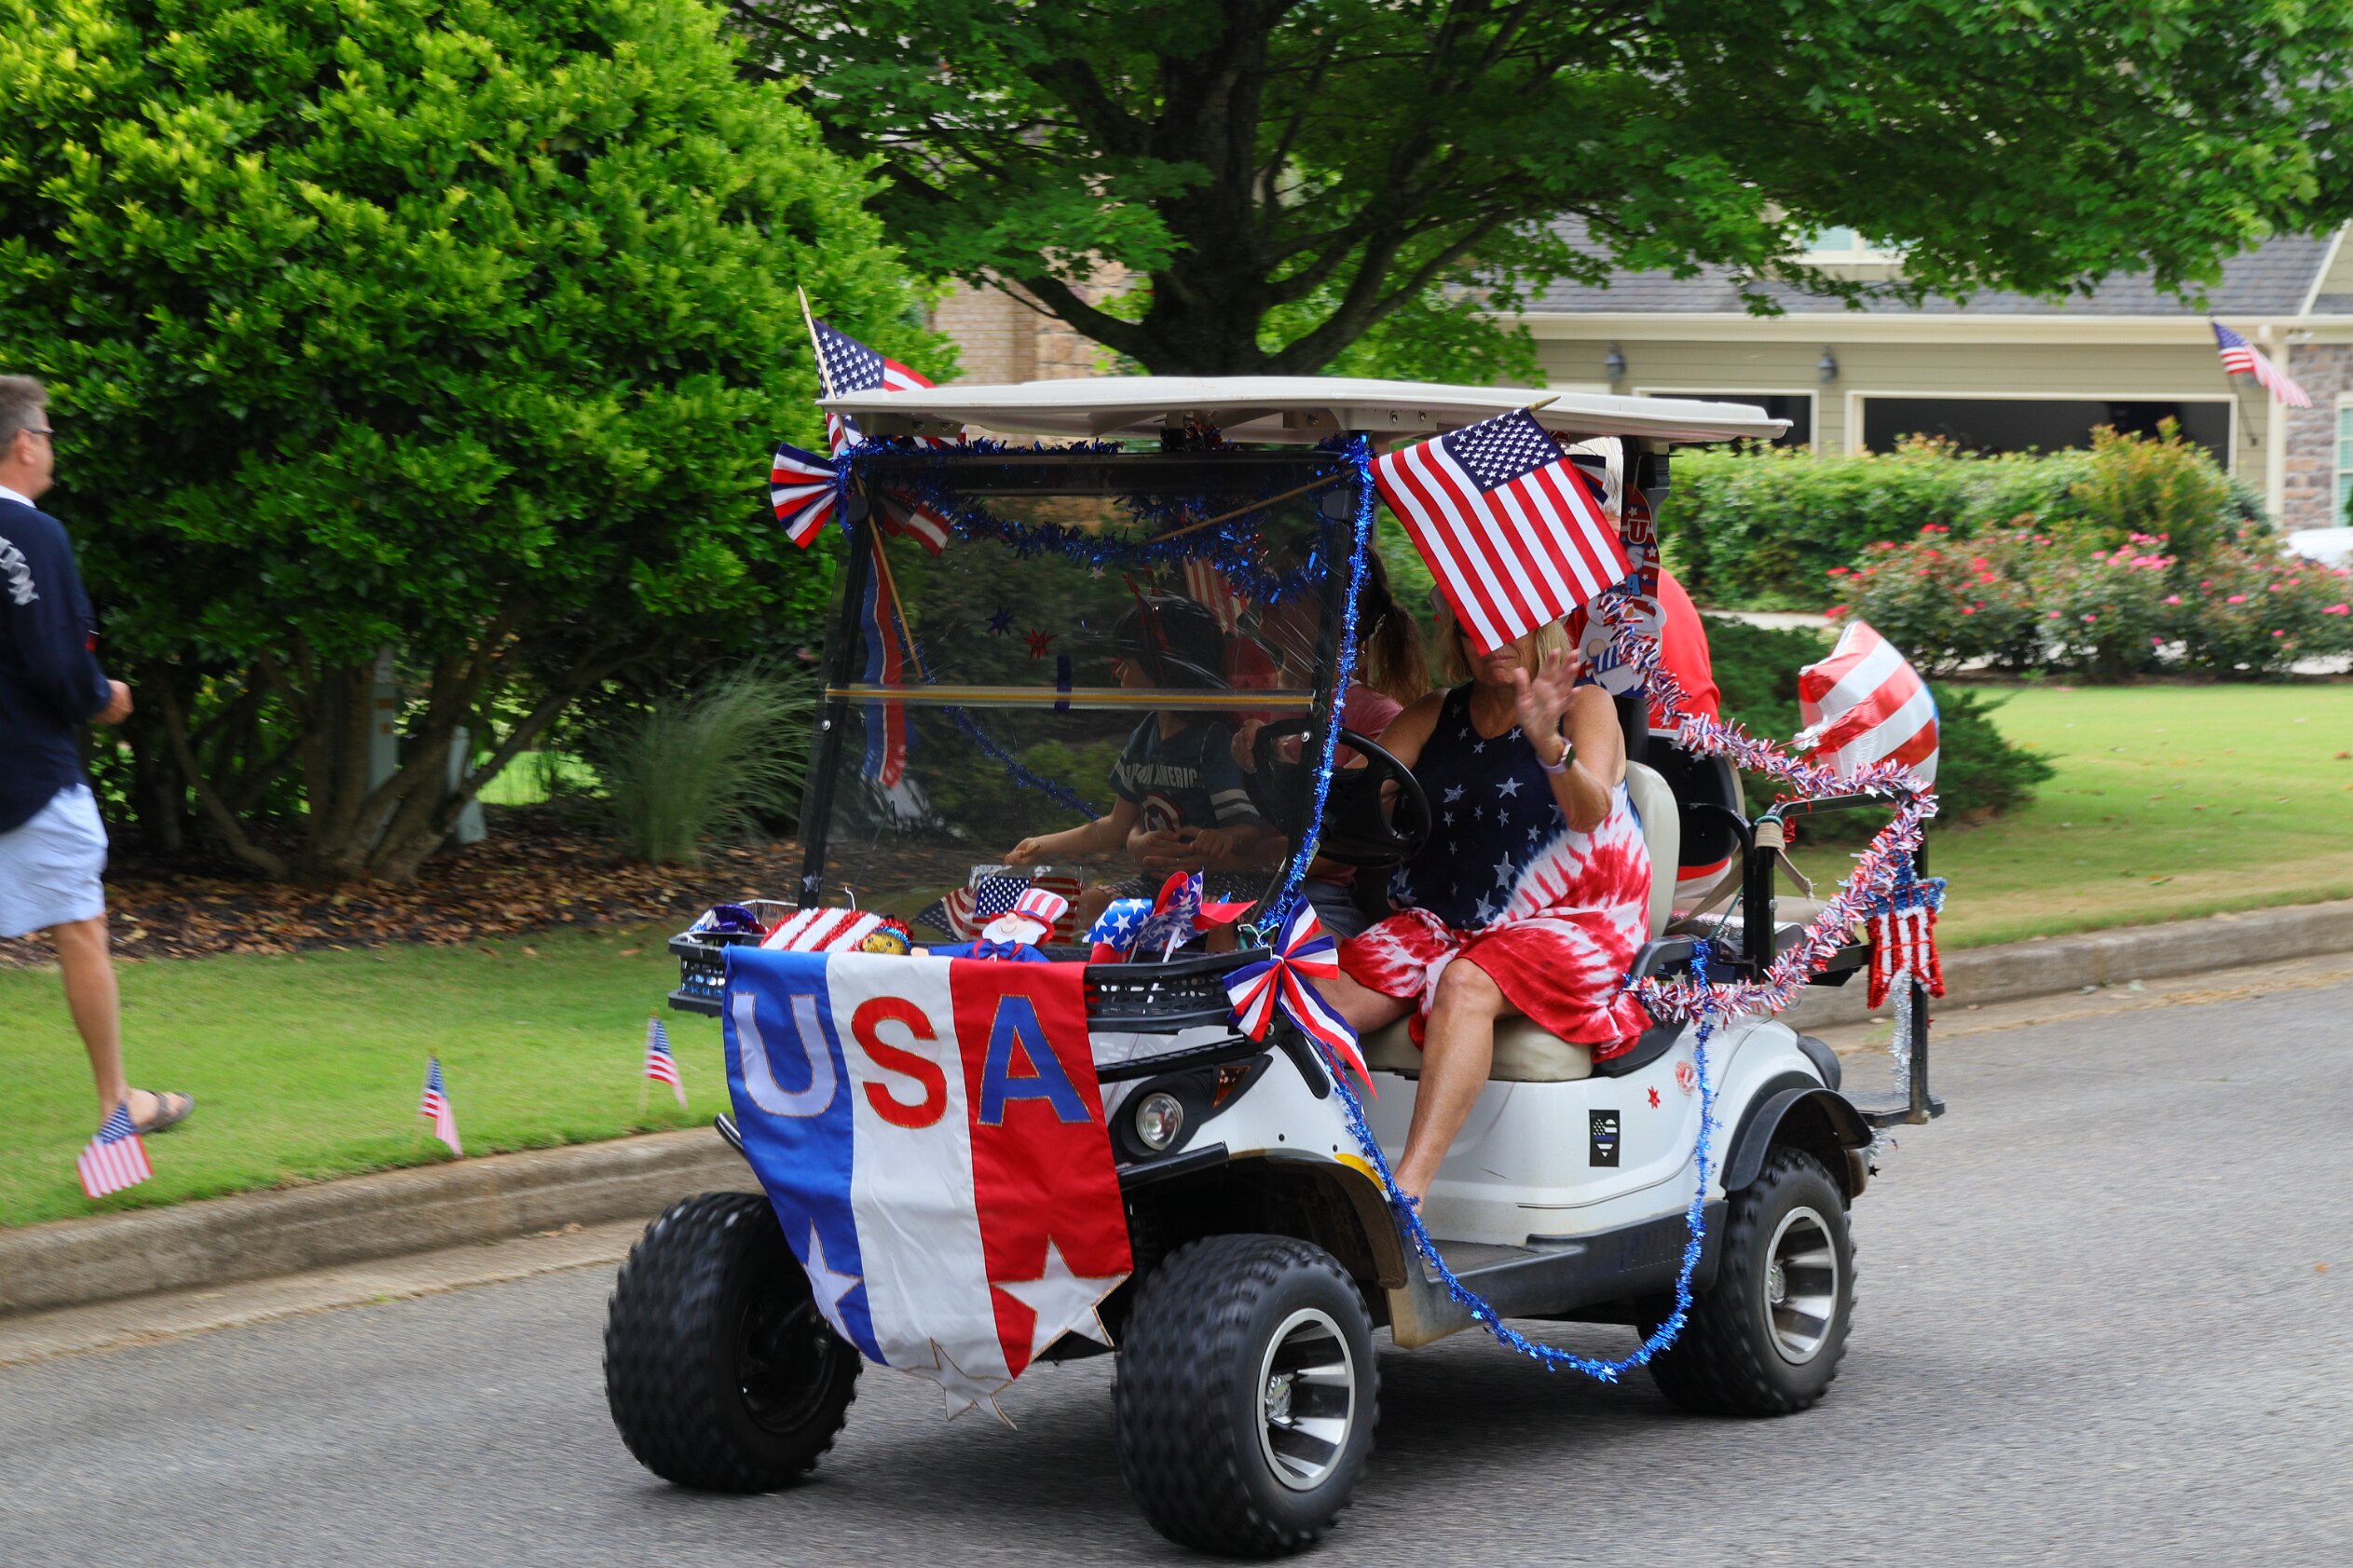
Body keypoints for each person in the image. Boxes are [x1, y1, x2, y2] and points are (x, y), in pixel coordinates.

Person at [1315, 601, 1653, 1204]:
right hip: (1445, 917)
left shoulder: (1585, 706)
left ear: (1538, 630)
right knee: (1317, 995)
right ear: (1457, 638)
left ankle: (1406, 1195)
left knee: (1466, 983)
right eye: (1473, 628)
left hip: (1571, 920)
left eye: (1505, 626)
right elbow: (1355, 798)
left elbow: (1589, 812)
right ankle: (1310, 1166)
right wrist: (1306, 782)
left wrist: (1546, 741)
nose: (1490, 641)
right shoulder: (1434, 712)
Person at [0, 375, 194, 1136]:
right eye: (48, 434)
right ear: (24, 443)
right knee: (79, 924)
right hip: (27, 771)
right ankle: (118, 1102)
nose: (52, 447)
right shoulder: (35, 534)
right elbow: (56, 663)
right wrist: (101, 694)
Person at [1005, 597, 1269, 907]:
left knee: (1210, 919)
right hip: (1156, 881)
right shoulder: (1142, 737)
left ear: (1163, 668)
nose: (1117, 673)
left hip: (1214, 881)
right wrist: (1041, 845)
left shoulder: (1212, 740)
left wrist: (1225, 839)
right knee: (1089, 905)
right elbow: (1114, 826)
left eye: (1127, 663)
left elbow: (1250, 830)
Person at [1230, 551, 1425, 936]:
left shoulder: (1380, 716)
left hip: (1316, 898)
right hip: (1237, 882)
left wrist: (1253, 856)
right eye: (1271, 583)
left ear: (1336, 614)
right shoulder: (1253, 698)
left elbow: (1348, 843)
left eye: (1290, 587)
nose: (1269, 594)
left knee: (1272, 948)